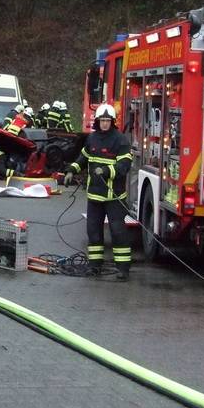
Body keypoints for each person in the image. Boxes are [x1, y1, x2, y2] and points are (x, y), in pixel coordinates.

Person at [64, 104, 133, 280]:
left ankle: (123, 268)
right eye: (101, 120)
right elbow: (83, 157)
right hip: (94, 196)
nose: (104, 124)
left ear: (112, 122)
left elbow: (124, 166)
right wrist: (72, 169)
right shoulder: (92, 139)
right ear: (97, 121)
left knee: (118, 232)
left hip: (114, 196)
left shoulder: (121, 140)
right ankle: (95, 266)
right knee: (93, 231)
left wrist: (107, 170)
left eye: (107, 121)